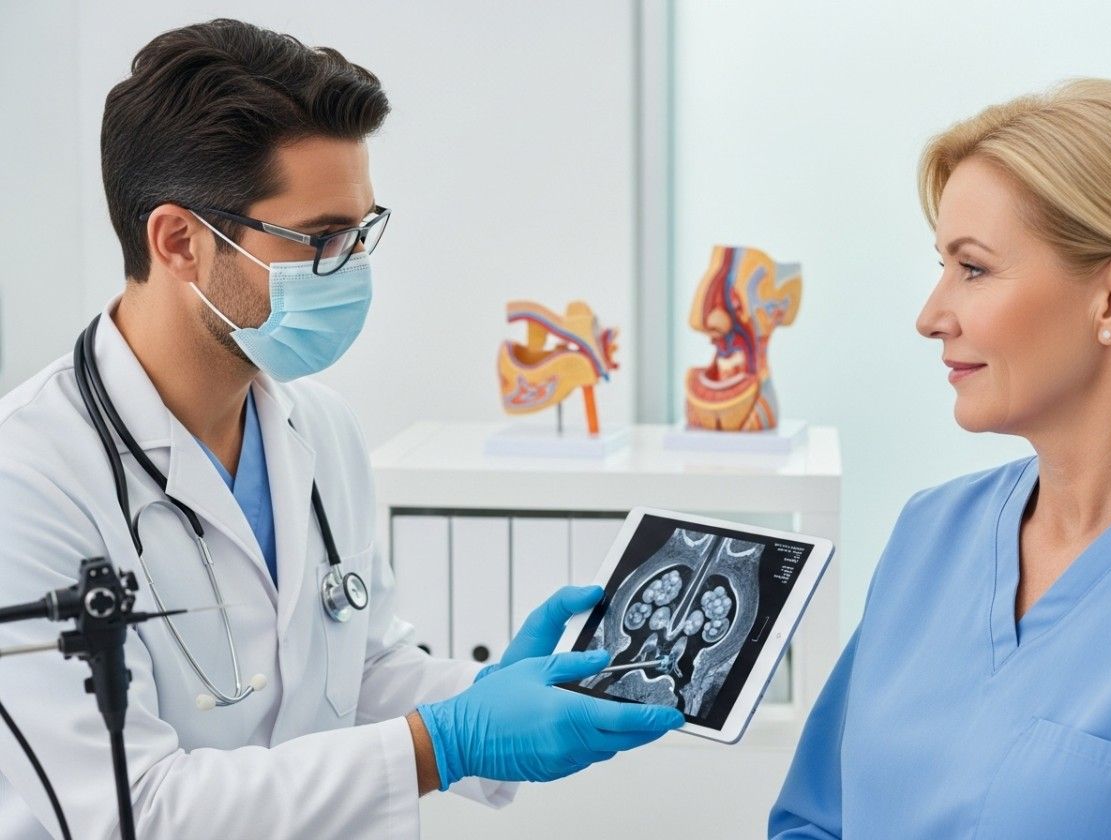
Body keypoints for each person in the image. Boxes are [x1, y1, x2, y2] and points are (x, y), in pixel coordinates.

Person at [0, 19, 682, 839]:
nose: (352, 268)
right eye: (321, 239)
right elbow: (132, 809)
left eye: (362, 232)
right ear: (180, 241)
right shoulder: (28, 478)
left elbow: (354, 666)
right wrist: (445, 743)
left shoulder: (315, 426)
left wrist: (487, 694)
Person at [770, 78, 1111, 839]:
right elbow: (815, 821)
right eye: (941, 266)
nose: (931, 316)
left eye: (972, 268)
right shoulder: (932, 535)